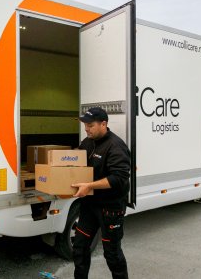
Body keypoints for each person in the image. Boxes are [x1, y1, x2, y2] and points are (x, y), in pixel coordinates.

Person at [71, 107, 131, 279]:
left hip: (110, 209)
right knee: (80, 248)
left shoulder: (116, 146)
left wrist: (89, 186)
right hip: (89, 206)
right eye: (85, 125)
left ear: (103, 124)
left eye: (90, 125)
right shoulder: (88, 142)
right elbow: (80, 159)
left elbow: (119, 178)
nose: (86, 129)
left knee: (112, 254)